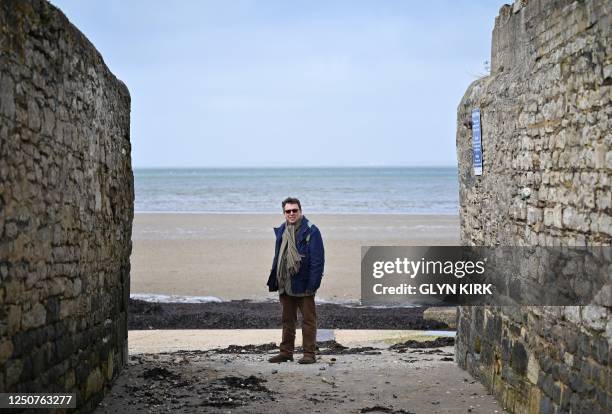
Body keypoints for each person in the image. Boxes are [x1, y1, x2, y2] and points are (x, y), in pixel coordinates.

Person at [266, 197, 325, 364]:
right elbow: (278, 257)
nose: (291, 213)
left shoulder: (311, 231)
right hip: (285, 282)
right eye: (288, 211)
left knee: (308, 321)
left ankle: (309, 354)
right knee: (287, 320)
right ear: (284, 213)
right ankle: (286, 353)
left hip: (304, 284)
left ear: (300, 211)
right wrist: (275, 278)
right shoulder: (282, 230)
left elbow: (318, 261)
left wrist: (313, 285)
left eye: (294, 210)